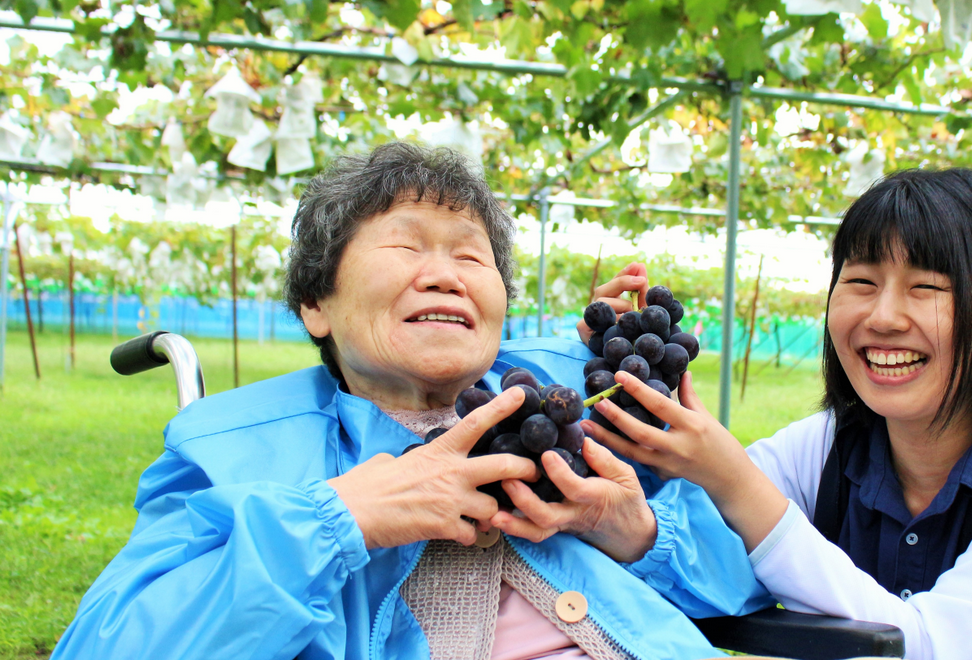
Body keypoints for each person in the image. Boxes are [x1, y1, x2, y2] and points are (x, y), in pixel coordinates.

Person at [51, 143, 766, 660]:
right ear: (315, 305)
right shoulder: (230, 450)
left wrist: (635, 533)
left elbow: (742, 586)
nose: (445, 276)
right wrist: (343, 519)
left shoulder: (575, 421)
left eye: (470, 255)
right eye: (405, 247)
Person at [582, 169, 972, 660]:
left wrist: (736, 482)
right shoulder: (826, 447)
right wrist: (588, 366)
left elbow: (923, 649)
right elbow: (695, 551)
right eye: (860, 282)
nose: (882, 316)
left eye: (927, 287)